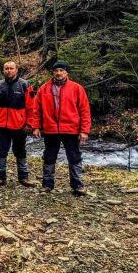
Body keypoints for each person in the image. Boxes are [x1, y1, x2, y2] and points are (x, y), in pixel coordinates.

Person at [32, 61, 91, 195]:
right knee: (49, 157)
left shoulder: (76, 88)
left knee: (74, 157)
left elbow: (85, 111)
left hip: (71, 129)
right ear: (53, 72)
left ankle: (77, 185)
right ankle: (47, 185)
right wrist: (35, 127)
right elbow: (37, 110)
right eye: (56, 71)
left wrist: (84, 131)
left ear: (66, 73)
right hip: (50, 129)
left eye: (61, 71)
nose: (59, 73)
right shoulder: (44, 89)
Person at [0, 61, 37, 188]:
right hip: (1, 125)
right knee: (1, 152)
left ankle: (23, 177)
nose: (9, 70)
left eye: (11, 68)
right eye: (6, 68)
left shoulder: (25, 85)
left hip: (19, 125)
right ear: (3, 70)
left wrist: (29, 124)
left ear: (16, 70)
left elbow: (31, 107)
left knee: (20, 151)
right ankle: (0, 178)